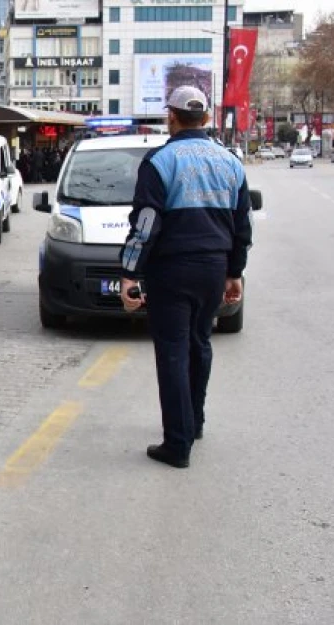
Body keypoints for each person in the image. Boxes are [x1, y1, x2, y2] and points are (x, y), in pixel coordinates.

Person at [119, 86, 252, 469]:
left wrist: (130, 273)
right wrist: (234, 272)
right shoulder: (230, 162)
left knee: (173, 352)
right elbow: (242, 226)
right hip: (213, 270)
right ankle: (193, 423)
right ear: (206, 119)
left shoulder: (160, 161)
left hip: (172, 271)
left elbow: (145, 224)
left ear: (171, 117)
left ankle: (177, 444)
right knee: (199, 343)